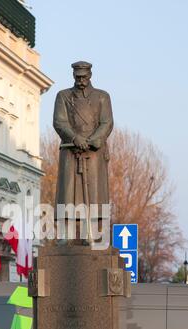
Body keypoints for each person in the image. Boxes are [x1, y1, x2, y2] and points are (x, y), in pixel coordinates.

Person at [53, 61, 113, 245]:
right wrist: (74, 137)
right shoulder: (63, 96)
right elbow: (59, 122)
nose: (81, 80)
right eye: (77, 77)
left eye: (84, 77)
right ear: (73, 76)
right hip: (71, 150)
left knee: (94, 194)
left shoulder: (102, 97)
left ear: (90, 75)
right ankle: (65, 234)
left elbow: (107, 122)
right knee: (68, 192)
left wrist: (96, 139)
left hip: (94, 152)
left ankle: (93, 233)